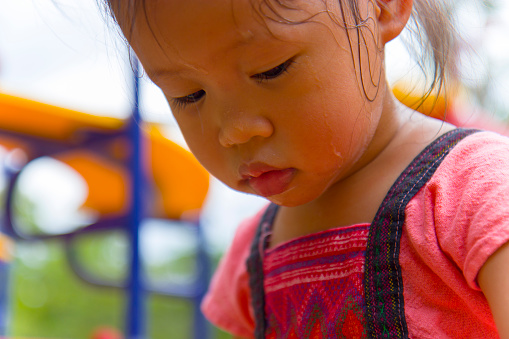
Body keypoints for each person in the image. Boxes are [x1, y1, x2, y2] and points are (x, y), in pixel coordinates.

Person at [101, 0, 509, 337]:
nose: (234, 131)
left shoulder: (476, 189)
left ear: (383, 8)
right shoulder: (252, 256)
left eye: (271, 69)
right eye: (189, 95)